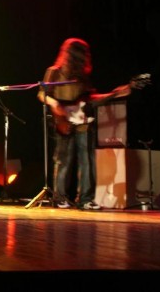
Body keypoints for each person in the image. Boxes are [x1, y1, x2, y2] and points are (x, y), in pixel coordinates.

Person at [37, 37, 131, 210]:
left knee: (86, 161)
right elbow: (42, 94)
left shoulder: (82, 77)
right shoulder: (54, 72)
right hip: (62, 120)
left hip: (81, 121)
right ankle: (60, 197)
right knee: (63, 160)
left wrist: (115, 94)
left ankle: (85, 199)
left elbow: (90, 99)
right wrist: (55, 104)